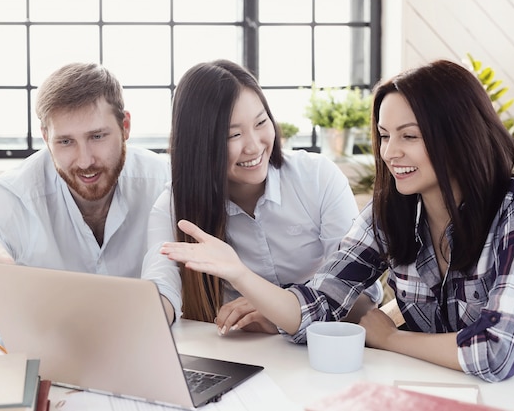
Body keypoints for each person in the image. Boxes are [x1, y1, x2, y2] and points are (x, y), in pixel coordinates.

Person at [159, 59, 514, 382]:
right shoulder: (391, 211)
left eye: (408, 136)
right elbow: (317, 306)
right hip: (438, 385)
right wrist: (238, 272)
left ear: (456, 135)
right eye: (383, 136)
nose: (389, 152)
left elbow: (496, 353)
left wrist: (390, 339)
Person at [0, 62, 170, 335]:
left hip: (147, 349)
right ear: (46, 137)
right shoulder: (14, 195)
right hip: (50, 364)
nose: (85, 160)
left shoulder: (164, 181)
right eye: (65, 142)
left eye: (97, 136)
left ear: (125, 126)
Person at [142, 59, 382, 333]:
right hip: (241, 353)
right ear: (199, 145)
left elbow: (362, 301)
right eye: (233, 134)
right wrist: (149, 315)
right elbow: (161, 283)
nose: (254, 146)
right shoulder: (175, 204)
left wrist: (280, 310)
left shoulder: (317, 178)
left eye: (261, 122)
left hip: (322, 353)